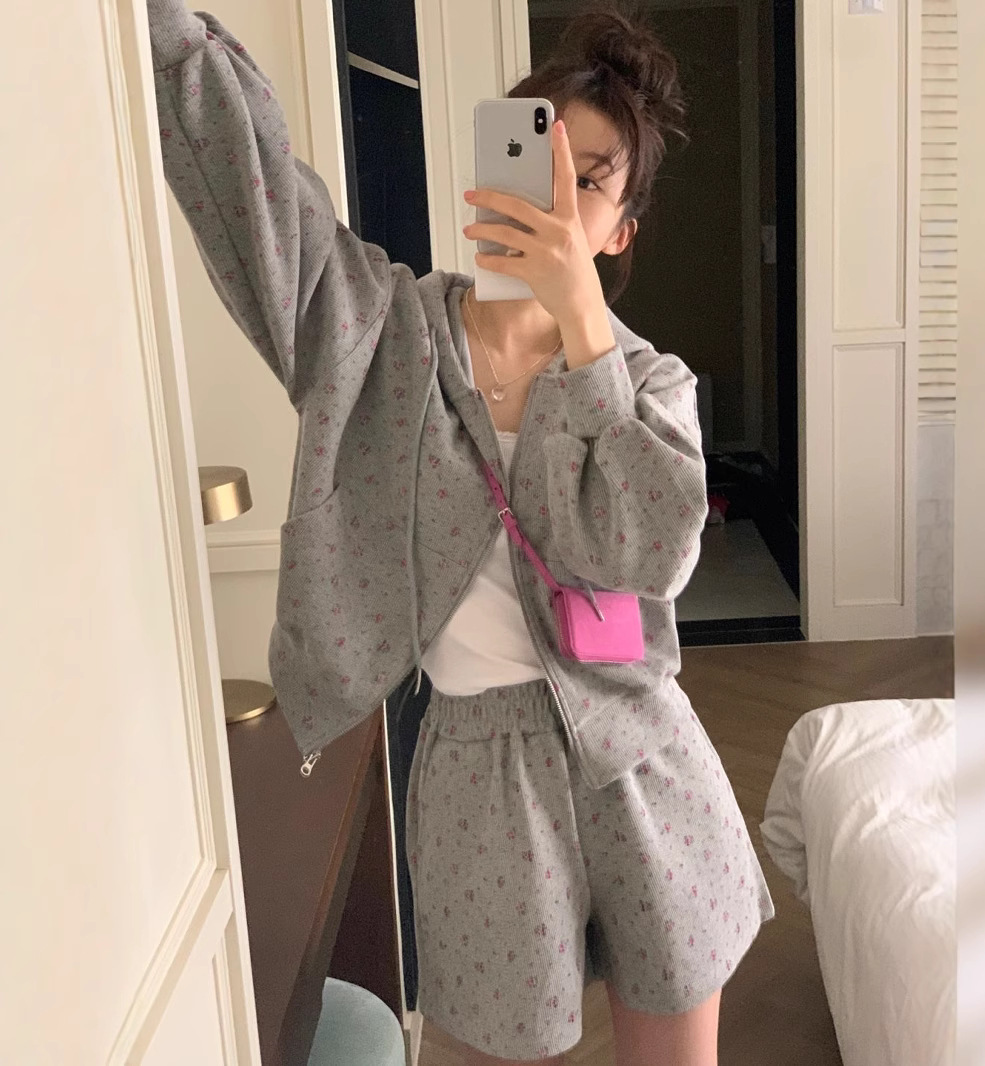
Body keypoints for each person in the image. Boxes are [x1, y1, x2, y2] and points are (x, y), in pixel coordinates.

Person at [147, 0, 774, 1061]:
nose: (556, 199)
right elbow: (259, 204)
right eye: (538, 160)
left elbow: (654, 554)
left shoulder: (647, 381)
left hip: (645, 760)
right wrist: (166, 33)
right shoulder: (381, 334)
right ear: (489, 173)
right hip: (480, 777)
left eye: (590, 181)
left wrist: (583, 331)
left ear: (621, 231)